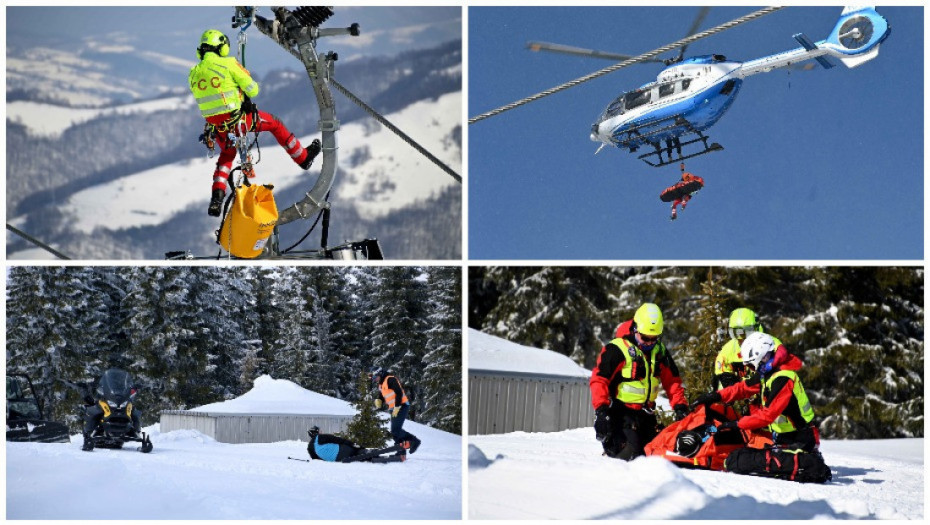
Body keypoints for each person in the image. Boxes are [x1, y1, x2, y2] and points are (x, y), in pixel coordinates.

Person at [188, 29, 321, 216]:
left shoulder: (193, 73)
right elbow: (253, 90)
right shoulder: (228, 64)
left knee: (227, 155)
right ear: (222, 47)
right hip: (239, 120)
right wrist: (243, 80)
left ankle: (217, 197)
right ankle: (303, 157)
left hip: (218, 127)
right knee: (275, 124)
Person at [692, 332, 831, 482]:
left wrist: (737, 424)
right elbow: (743, 388)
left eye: (752, 364)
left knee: (740, 461)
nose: (751, 369)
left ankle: (804, 461)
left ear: (762, 357)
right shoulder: (769, 373)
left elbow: (767, 416)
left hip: (800, 439)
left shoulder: (782, 379)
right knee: (741, 457)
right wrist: (716, 396)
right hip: (784, 438)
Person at [590, 303, 689, 460]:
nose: (649, 343)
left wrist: (680, 406)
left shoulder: (660, 350)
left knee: (661, 454)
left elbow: (672, 381)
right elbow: (599, 380)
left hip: (646, 415)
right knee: (632, 455)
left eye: (653, 339)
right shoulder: (617, 349)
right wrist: (601, 412)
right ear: (635, 329)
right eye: (644, 338)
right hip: (621, 414)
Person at [713, 308, 786, 390]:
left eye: (748, 331)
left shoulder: (770, 342)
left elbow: (782, 356)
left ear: (756, 328)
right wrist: (728, 383)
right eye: (736, 333)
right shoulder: (728, 350)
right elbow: (720, 371)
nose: (742, 338)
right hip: (742, 394)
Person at [82, 368, 142, 452]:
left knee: (135, 412)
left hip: (122, 399)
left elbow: (130, 387)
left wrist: (134, 388)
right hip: (109, 398)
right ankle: (89, 433)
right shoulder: (106, 384)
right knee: (95, 410)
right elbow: (101, 386)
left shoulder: (124, 385)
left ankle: (135, 431)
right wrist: (96, 387)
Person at [371, 367, 421, 454]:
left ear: (380, 373)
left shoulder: (390, 379)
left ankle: (414, 441)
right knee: (395, 431)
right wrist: (379, 400)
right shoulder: (381, 384)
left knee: (396, 430)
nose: (374, 379)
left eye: (375, 377)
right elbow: (382, 395)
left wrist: (397, 406)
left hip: (401, 406)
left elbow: (399, 392)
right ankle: (400, 449)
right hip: (393, 408)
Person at [306, 426, 398, 462]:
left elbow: (315, 459)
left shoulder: (310, 447)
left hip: (336, 459)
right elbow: (337, 440)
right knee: (356, 450)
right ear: (317, 433)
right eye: (320, 431)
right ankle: (370, 452)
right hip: (341, 450)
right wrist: (353, 444)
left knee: (355, 455)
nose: (322, 432)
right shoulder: (320, 437)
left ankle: (368, 458)